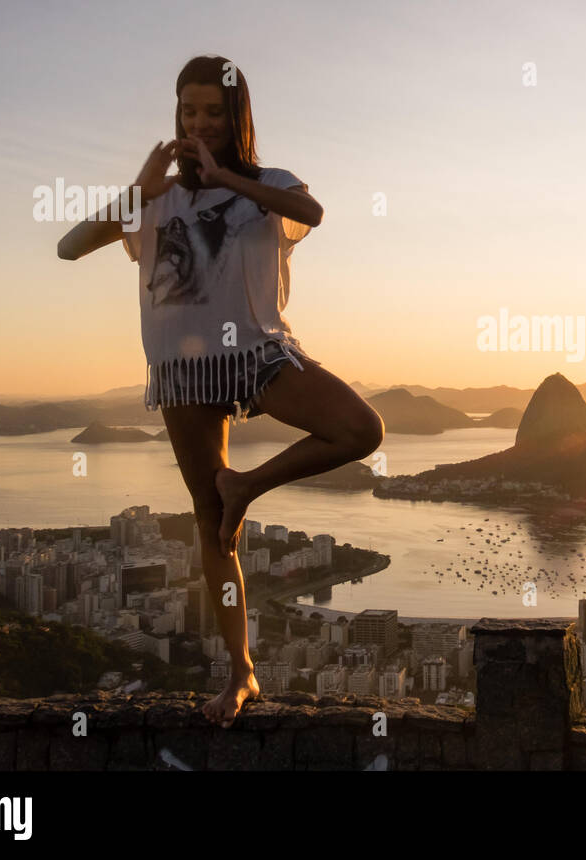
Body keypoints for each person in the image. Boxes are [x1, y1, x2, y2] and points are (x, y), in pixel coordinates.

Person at [57, 55, 384, 727]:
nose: (199, 123)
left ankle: (248, 485)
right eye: (188, 112)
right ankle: (242, 676)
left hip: (261, 355)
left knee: (361, 430)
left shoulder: (266, 186)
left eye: (214, 112)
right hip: (183, 371)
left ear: (236, 118)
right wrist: (137, 190)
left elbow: (311, 211)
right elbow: (68, 247)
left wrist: (232, 179)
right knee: (215, 533)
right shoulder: (154, 202)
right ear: (175, 118)